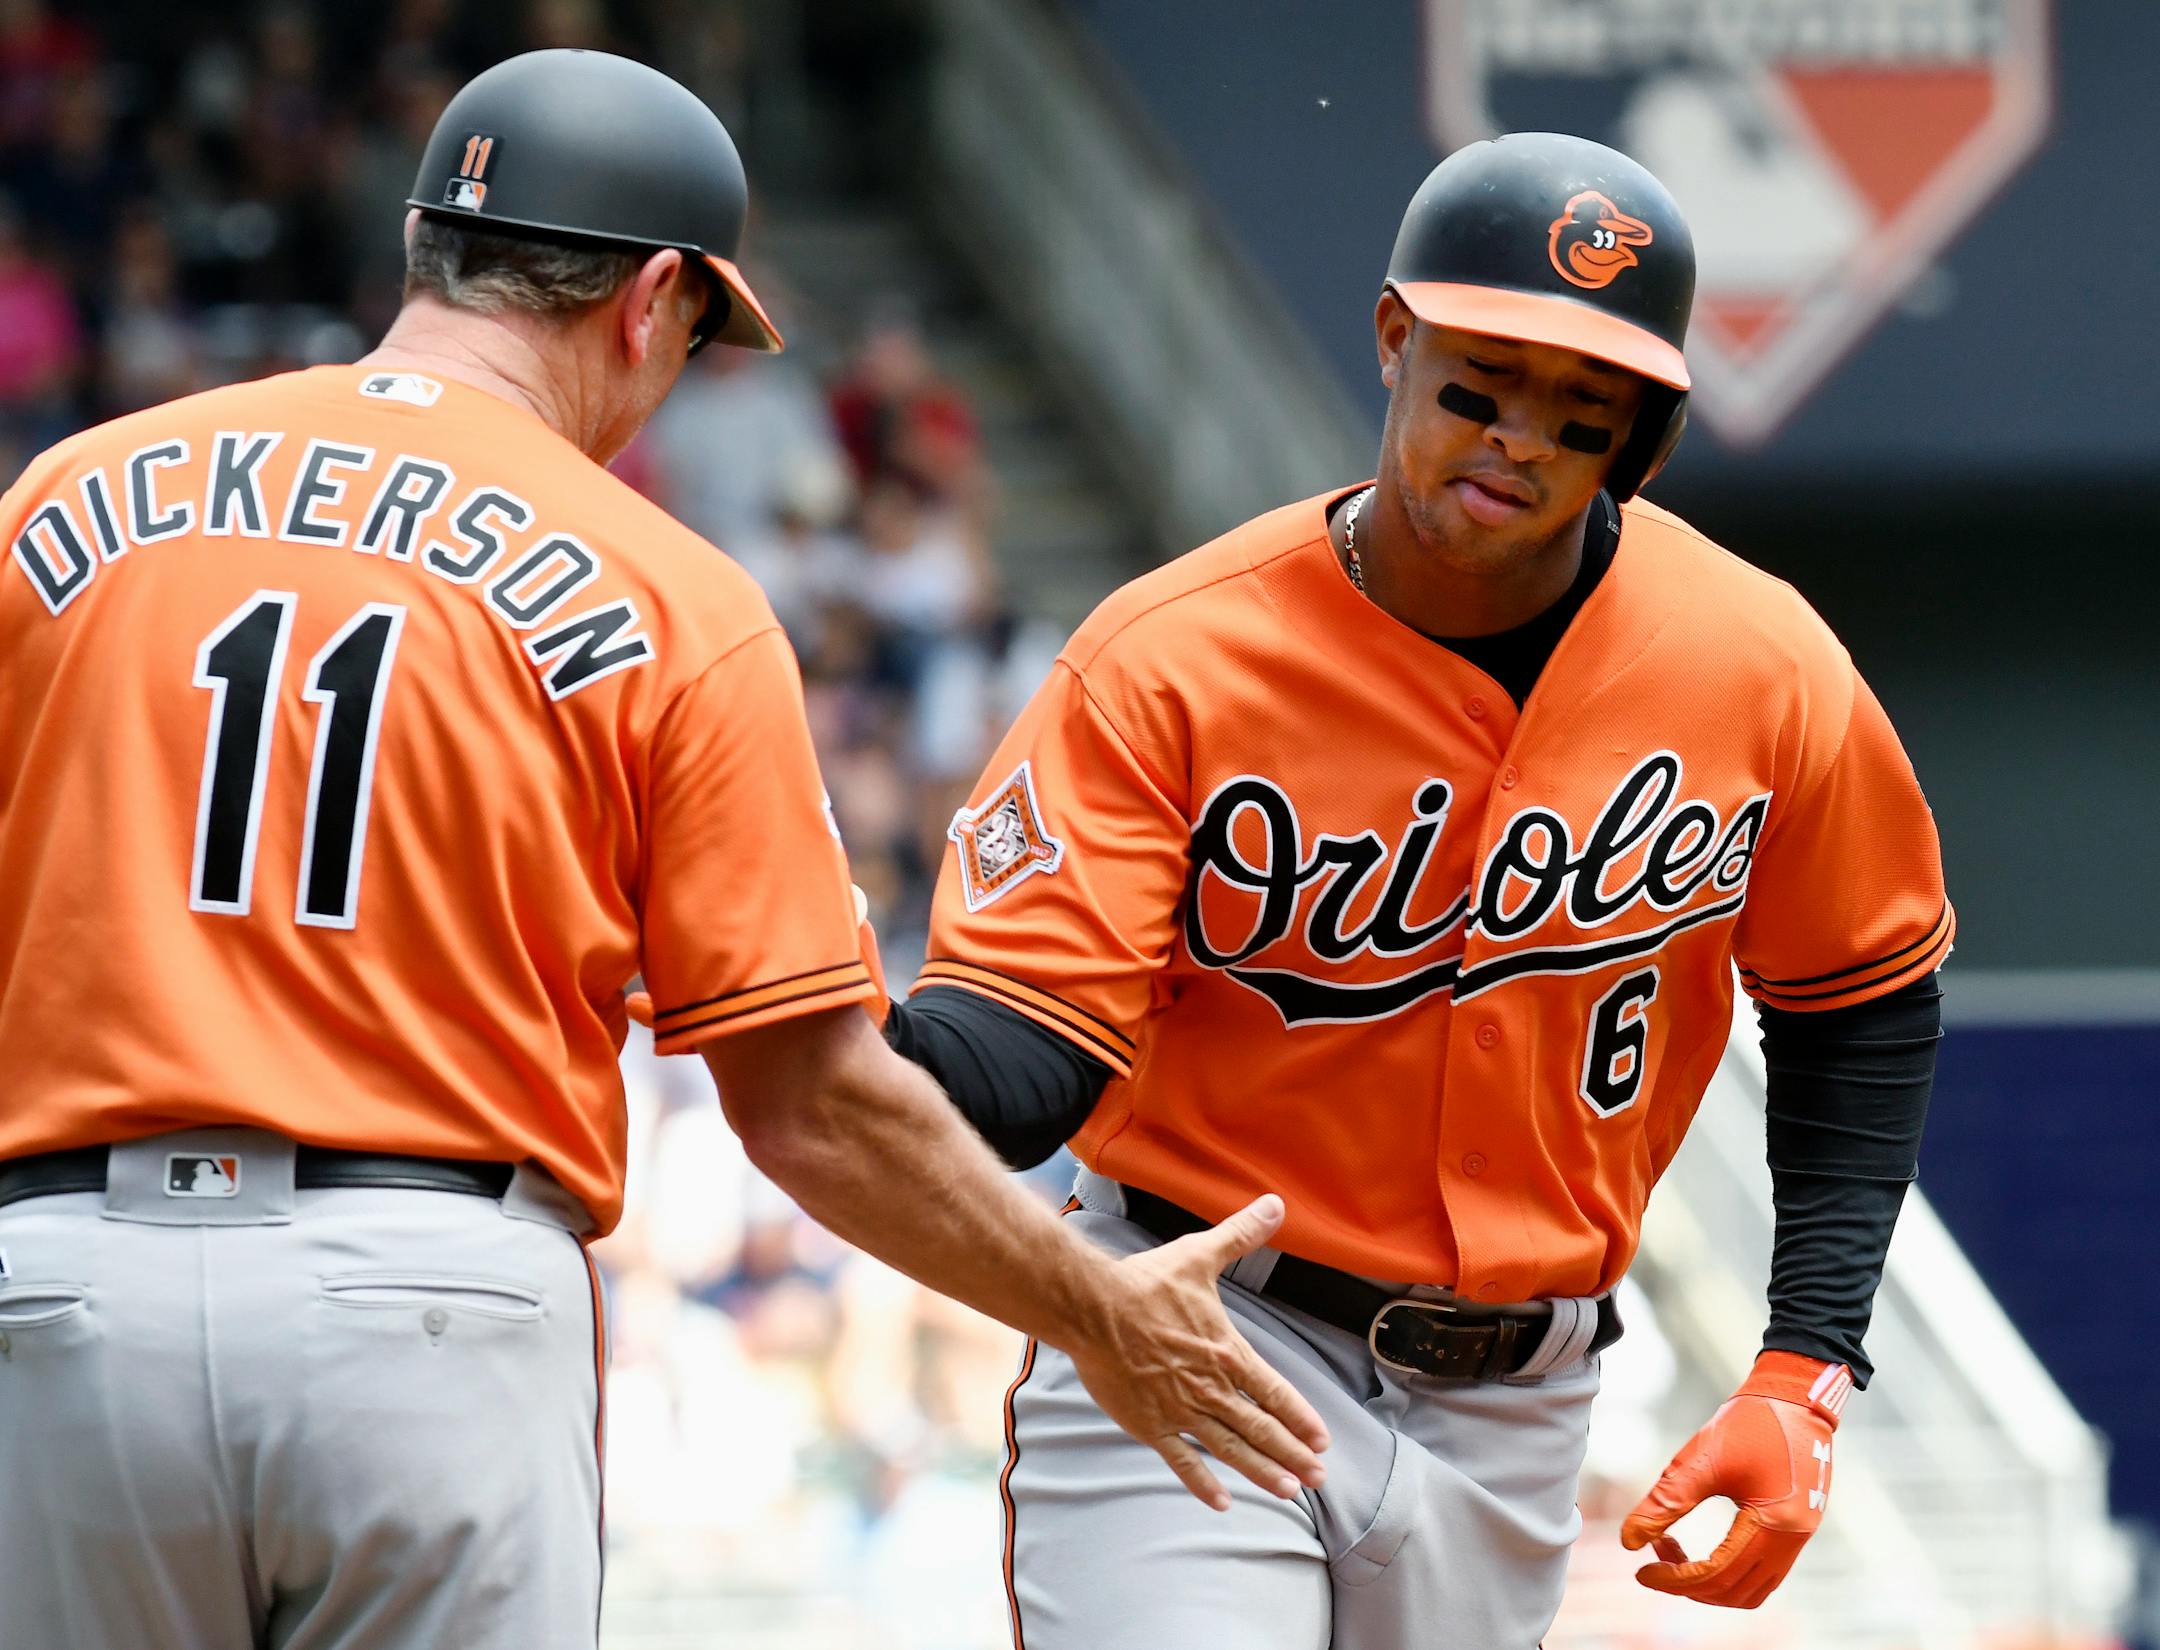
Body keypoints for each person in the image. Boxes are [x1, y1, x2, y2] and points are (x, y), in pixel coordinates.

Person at [0, 48, 1325, 1650]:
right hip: (429, 1301)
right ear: (650, 303)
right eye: (696, 335)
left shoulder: (64, 498)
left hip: (61, 1297)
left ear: (431, 250)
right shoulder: (667, 593)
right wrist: (1084, 1304)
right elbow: (812, 1106)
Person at [879, 132, 1951, 1646]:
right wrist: (832, 1025)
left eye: (1580, 414)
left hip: (1523, 1405)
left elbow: (1864, 999)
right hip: (1206, 1321)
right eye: (1477, 385)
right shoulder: (1172, 657)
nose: (1515, 438)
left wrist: (1806, 1362)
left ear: (1639, 443)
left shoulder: (1759, 662)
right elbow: (1023, 1060)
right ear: (1395, 339)